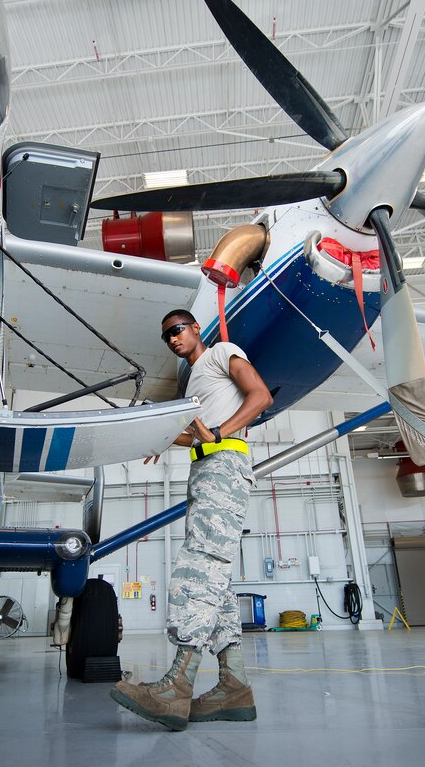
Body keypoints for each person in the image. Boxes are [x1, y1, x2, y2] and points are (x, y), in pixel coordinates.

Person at [111, 309, 273, 731]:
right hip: (204, 469)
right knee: (215, 579)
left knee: (197, 568)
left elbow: (259, 396)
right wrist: (160, 435)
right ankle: (233, 686)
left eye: (177, 330)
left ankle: (176, 685)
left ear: (196, 328)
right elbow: (195, 435)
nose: (172, 339)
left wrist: (221, 433)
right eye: (166, 336)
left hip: (224, 463)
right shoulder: (192, 385)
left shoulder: (222, 353)